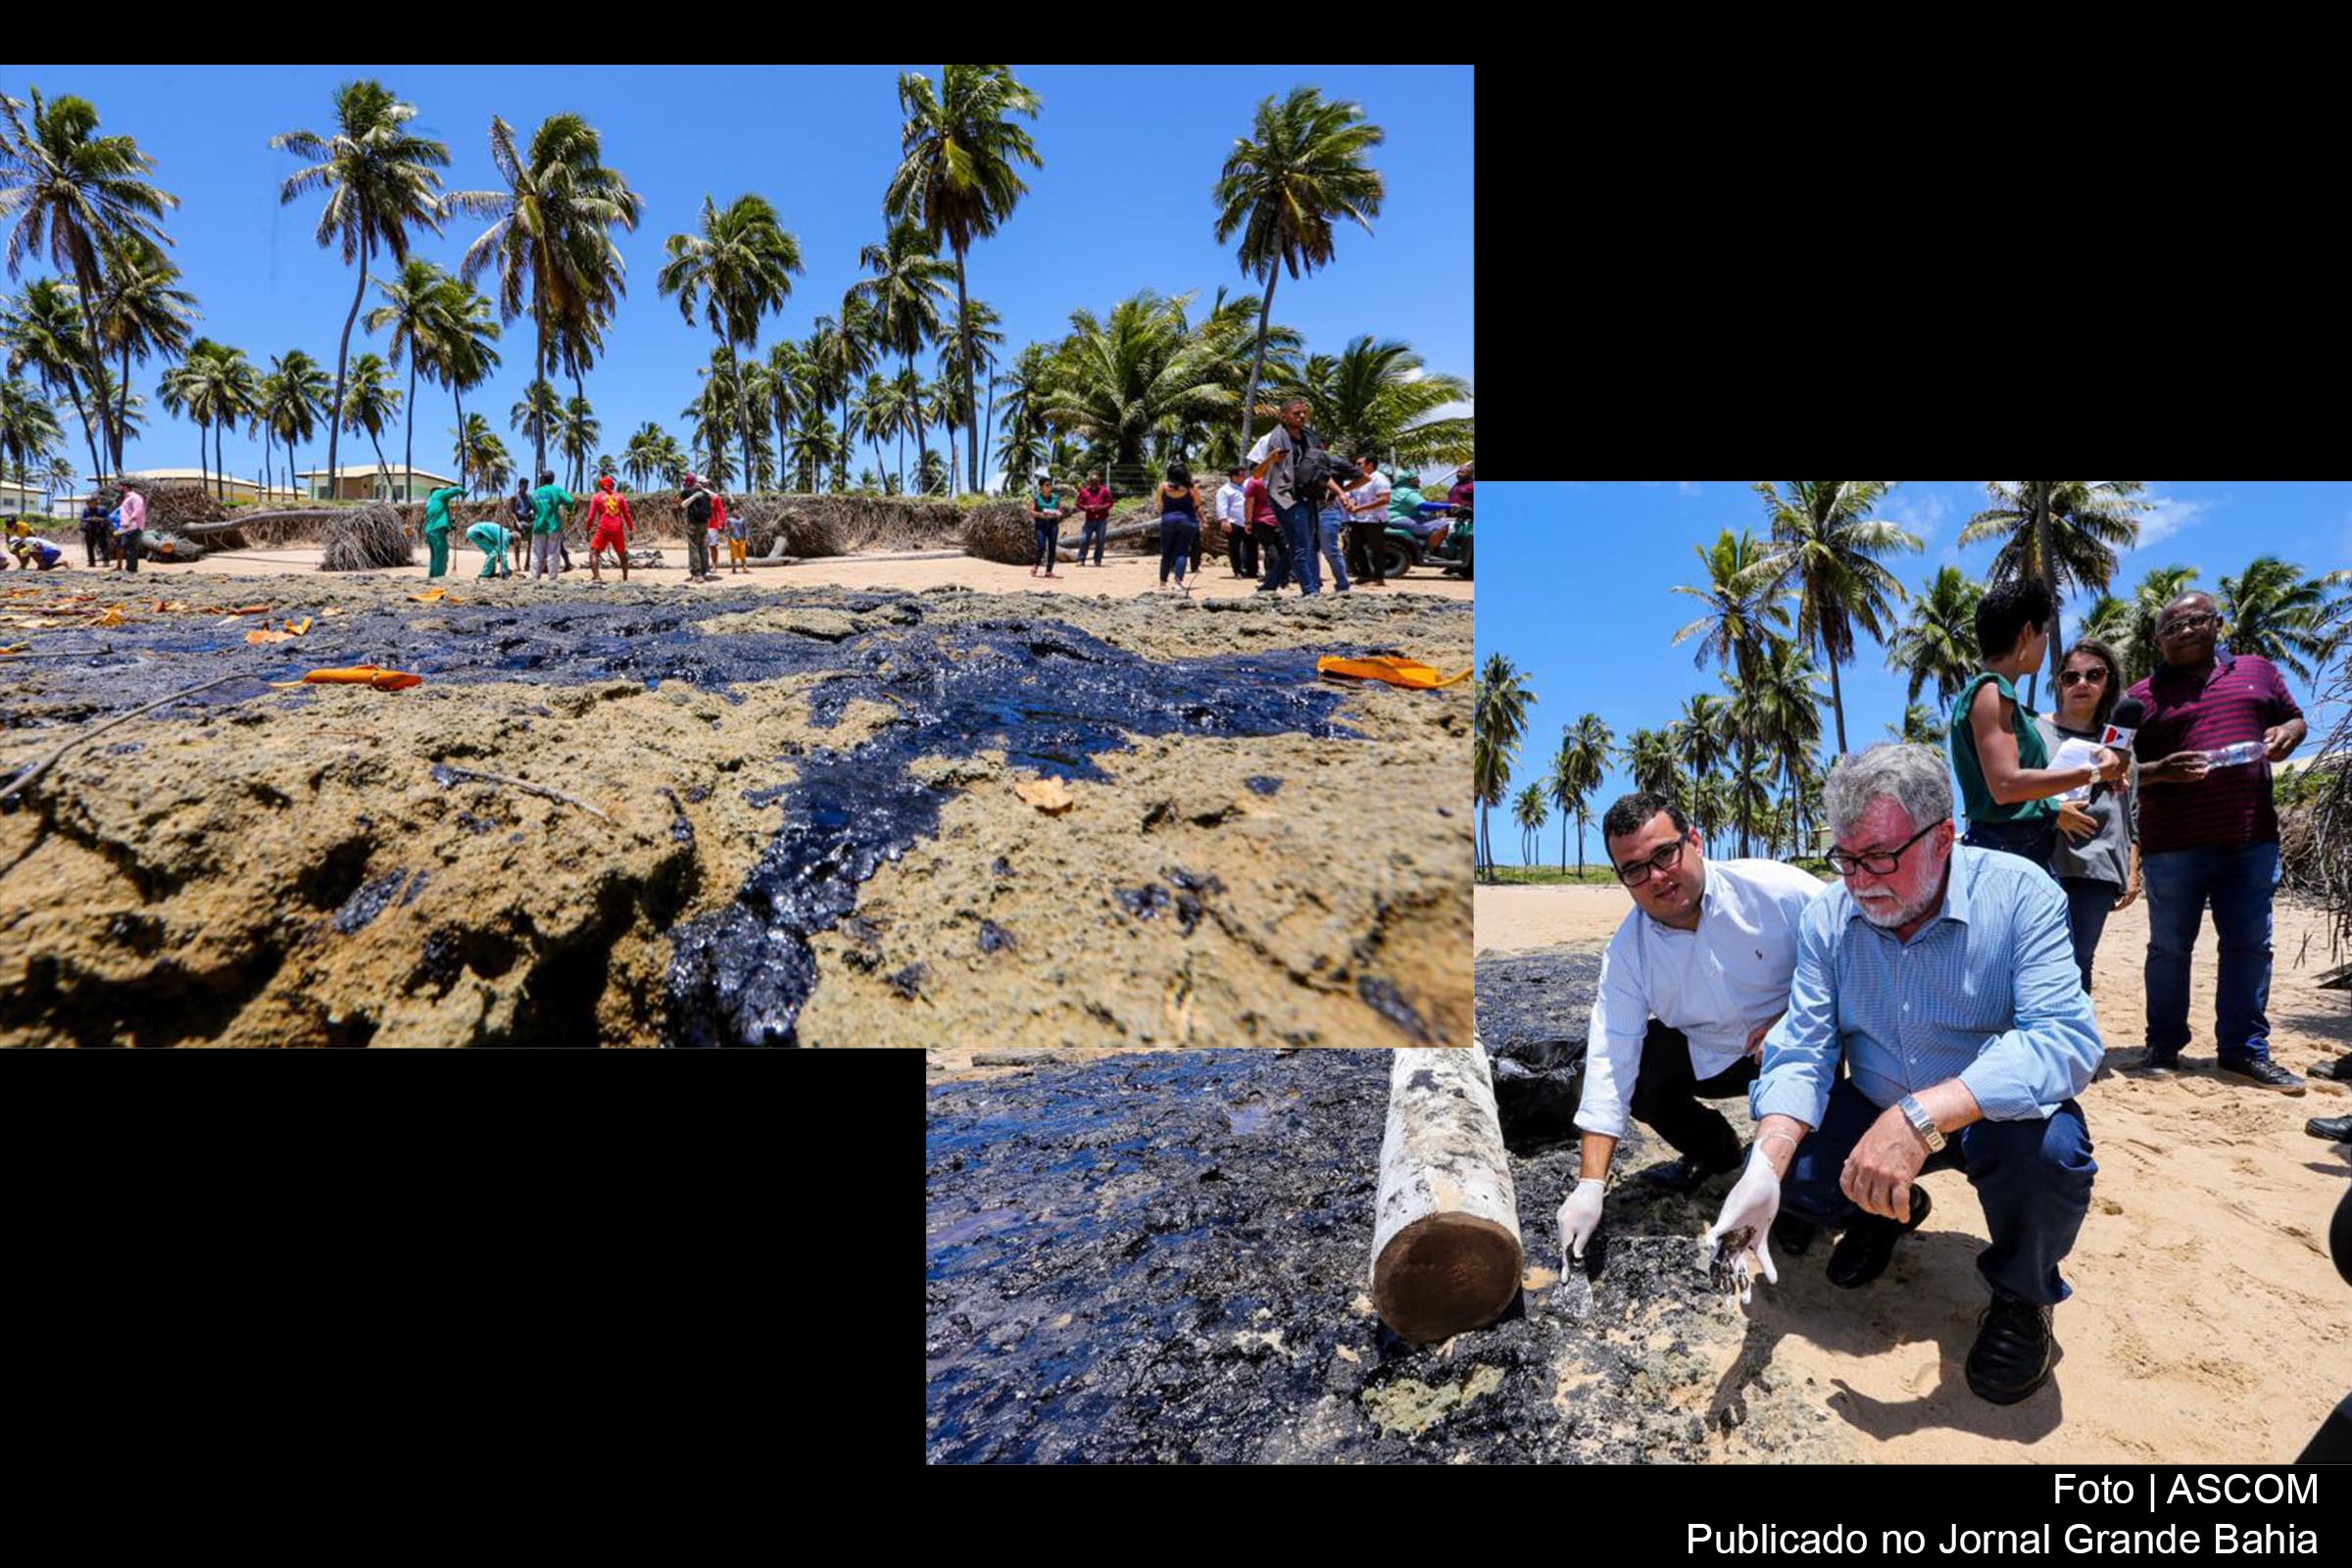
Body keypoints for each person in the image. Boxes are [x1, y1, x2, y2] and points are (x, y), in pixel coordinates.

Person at [1706, 743, 2102, 1406]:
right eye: (1846, 859)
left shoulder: (2022, 893)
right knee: (1795, 1176)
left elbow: (2065, 1039)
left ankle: (2021, 1294)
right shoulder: (1830, 916)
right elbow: (1802, 1046)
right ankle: (1888, 1211)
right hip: (1875, 1098)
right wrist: (1763, 1168)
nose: (1859, 882)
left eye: (1880, 858)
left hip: (1984, 1114)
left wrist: (1922, 1116)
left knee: (2051, 1156)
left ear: (1944, 837)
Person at [1554, 792, 1824, 1269]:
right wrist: (1590, 1185)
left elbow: (1855, 956)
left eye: (1664, 853)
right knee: (1641, 1071)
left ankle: (1806, 1194)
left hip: (1799, 1044)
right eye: (1635, 869)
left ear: (1694, 840)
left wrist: (1793, 1017)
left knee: (1807, 1187)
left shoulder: (1777, 889)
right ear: (1622, 879)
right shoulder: (1627, 954)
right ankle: (1714, 1152)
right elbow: (1608, 1060)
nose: (1656, 876)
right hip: (1714, 1052)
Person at [2124, 590, 2308, 1091]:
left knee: (2250, 946)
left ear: (2217, 623)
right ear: (2157, 640)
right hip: (2173, 845)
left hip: (2250, 836)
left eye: (2195, 621)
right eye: (2171, 627)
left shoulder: (2257, 671)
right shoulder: (2140, 698)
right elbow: (2114, 770)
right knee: (2169, 947)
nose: (2184, 631)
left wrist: (2290, 731)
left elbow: (2294, 717)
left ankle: (2243, 1051)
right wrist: (2160, 770)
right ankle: (2163, 1045)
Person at [1948, 577, 2120, 869]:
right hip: (2008, 850)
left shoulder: (1997, 697)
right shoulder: (1991, 690)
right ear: (2028, 632)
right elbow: (2006, 785)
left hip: (2015, 847)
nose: (2046, 643)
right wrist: (2093, 774)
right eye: (2045, 633)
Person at [2031, 639, 2140, 993]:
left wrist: (2132, 869)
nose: (2082, 684)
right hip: (2042, 859)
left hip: (2097, 865)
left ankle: (2072, 1044)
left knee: (2080, 958)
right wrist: (2054, 811)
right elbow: (2013, 787)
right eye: (2070, 677)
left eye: (2094, 675)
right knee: (2035, 957)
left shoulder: (2120, 744)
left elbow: (2131, 811)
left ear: (2108, 681)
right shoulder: (2035, 731)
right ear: (2058, 684)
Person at [1247, 396, 1326, 596]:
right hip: (1283, 496)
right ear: (1283, 416)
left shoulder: (1311, 439)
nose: (1301, 416)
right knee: (1301, 544)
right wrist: (1270, 459)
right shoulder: (1269, 439)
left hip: (1308, 494)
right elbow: (1255, 473)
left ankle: (1269, 585)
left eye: (1303, 413)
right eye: (1296, 413)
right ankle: (1311, 590)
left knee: (1307, 542)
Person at [1343, 453, 1392, 588]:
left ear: (1370, 465)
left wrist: (1360, 508)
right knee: (1355, 547)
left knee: (1376, 549)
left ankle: (1378, 577)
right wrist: (1351, 504)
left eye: (1359, 464)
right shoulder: (1358, 479)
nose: (1356, 466)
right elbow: (1351, 494)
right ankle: (1365, 575)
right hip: (1358, 519)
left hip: (1374, 519)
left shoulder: (1379, 479)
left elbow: (1384, 499)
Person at [1155, 464, 1201, 595]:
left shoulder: (1163, 486)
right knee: (1182, 552)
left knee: (1166, 552)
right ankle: (1177, 582)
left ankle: (1163, 583)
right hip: (1187, 521)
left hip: (1168, 521)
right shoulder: (1191, 488)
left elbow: (1159, 503)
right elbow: (1198, 503)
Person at [526, 468, 577, 583]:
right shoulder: (557, 490)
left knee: (537, 554)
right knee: (553, 553)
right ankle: (552, 579)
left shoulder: (535, 493)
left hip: (539, 526)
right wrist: (568, 511)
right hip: (553, 526)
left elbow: (533, 509)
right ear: (553, 479)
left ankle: (534, 579)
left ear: (543, 479)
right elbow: (569, 501)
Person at [1243, 466, 1286, 590]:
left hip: (1261, 519)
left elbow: (1249, 503)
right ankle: (1282, 577)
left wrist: (1248, 522)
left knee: (1270, 548)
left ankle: (1272, 578)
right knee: (1282, 548)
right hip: (1280, 518)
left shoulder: (1255, 482)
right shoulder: (1279, 478)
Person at [585, 474, 634, 583]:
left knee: (594, 552)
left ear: (601, 486)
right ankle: (625, 578)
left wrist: (588, 529)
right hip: (617, 528)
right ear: (612, 485)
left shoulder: (596, 497)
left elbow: (591, 516)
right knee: (621, 553)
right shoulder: (620, 497)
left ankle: (597, 577)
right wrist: (631, 529)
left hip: (603, 528)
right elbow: (627, 514)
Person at [419, 478, 466, 581]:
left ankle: (433, 575)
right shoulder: (438, 494)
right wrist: (461, 490)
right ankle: (439, 576)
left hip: (431, 530)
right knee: (442, 554)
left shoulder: (433, 502)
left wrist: (451, 525)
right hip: (436, 529)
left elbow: (438, 516)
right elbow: (454, 491)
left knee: (435, 555)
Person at [1215, 465, 1254, 578]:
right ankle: (1237, 570)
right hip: (1233, 522)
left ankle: (1252, 570)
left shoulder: (1245, 488)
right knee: (1234, 548)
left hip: (1246, 522)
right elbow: (1221, 506)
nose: (1243, 477)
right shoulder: (1224, 490)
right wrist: (1224, 520)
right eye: (1241, 475)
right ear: (1233, 476)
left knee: (1251, 546)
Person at [1027, 468, 1064, 580]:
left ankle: (1049, 571)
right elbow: (1031, 511)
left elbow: (1060, 510)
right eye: (1047, 485)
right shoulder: (1037, 498)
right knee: (1041, 546)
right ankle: (1036, 566)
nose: (1049, 487)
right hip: (1041, 525)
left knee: (1052, 547)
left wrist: (1057, 514)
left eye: (1050, 485)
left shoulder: (1055, 498)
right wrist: (1042, 514)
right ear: (1041, 487)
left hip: (1053, 524)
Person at [680, 473, 714, 582]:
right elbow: (714, 497)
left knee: (694, 547)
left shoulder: (688, 492)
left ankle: (697, 573)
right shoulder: (705, 493)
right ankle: (706, 571)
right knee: (704, 547)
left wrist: (693, 496)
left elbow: (683, 505)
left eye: (685, 481)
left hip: (693, 523)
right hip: (704, 523)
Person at [1076, 474, 1114, 568]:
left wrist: (1101, 507)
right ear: (1089, 482)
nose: (1094, 485)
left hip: (1101, 519)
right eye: (1092, 483)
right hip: (1089, 519)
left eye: (1095, 482)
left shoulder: (1104, 491)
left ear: (1098, 482)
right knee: (1084, 539)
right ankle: (1081, 559)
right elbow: (1078, 503)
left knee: (1100, 540)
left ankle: (1097, 560)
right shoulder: (1084, 491)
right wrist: (1086, 507)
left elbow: (1110, 502)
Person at [111, 484, 146, 574]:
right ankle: (130, 568)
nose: (118, 489)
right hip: (127, 527)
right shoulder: (126, 499)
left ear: (125, 487)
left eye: (120, 487)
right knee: (127, 546)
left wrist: (129, 521)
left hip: (133, 526)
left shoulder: (135, 497)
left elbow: (139, 510)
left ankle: (131, 569)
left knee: (130, 546)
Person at [507, 478, 533, 575]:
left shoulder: (529, 497)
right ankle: (517, 564)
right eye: (524, 486)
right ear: (519, 486)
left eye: (527, 486)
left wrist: (531, 514)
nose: (526, 488)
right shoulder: (514, 497)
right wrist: (516, 522)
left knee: (530, 543)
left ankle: (527, 563)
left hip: (528, 522)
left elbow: (532, 508)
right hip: (518, 522)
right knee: (517, 543)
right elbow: (512, 511)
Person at [79, 497, 112, 567]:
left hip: (100, 530)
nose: (88, 504)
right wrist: (90, 519)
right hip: (89, 530)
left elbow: (108, 518)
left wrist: (99, 519)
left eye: (90, 502)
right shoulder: (86, 510)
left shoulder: (102, 509)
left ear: (95, 502)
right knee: (90, 547)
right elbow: (82, 518)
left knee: (103, 546)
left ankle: (106, 561)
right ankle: (92, 562)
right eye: (87, 503)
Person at [724, 492, 749, 574]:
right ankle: (733, 569)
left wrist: (747, 538)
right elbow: (725, 529)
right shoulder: (729, 520)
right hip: (733, 539)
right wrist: (728, 530)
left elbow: (746, 529)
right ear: (732, 512)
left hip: (742, 539)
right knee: (733, 555)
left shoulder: (742, 519)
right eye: (735, 510)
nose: (736, 512)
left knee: (743, 554)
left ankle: (744, 568)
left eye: (737, 510)